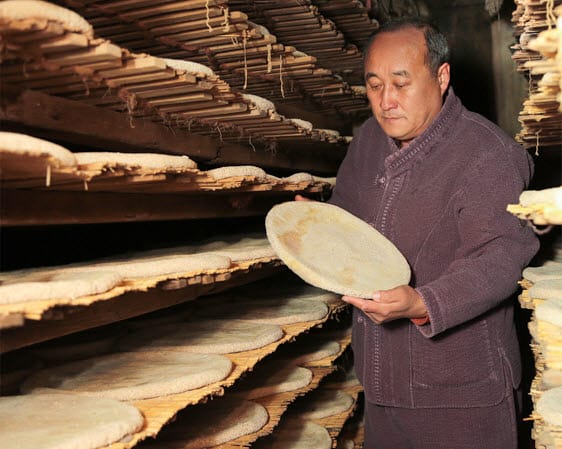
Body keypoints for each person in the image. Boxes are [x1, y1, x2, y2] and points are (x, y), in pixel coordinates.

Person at [298, 17, 539, 449]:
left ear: (441, 77)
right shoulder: (369, 141)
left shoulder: (488, 154)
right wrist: (319, 225)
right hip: (381, 379)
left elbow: (501, 255)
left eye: (401, 83)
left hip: (462, 394)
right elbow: (349, 220)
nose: (386, 101)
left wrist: (425, 303)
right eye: (374, 85)